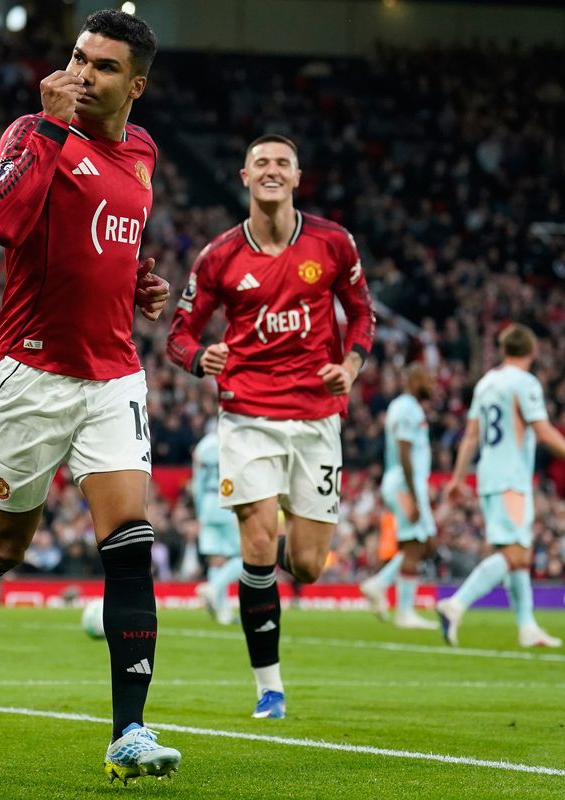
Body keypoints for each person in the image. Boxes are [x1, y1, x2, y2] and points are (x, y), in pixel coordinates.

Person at [0, 10, 180, 783]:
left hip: (112, 372)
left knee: (130, 541)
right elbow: (4, 222)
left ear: (137, 84)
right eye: (76, 57)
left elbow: (107, 243)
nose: (82, 73)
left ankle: (128, 732)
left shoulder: (145, 151)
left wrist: (139, 286)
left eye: (101, 65)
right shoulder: (32, 130)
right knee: (4, 545)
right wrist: (53, 130)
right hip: (29, 371)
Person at [167, 133, 375, 720]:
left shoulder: (334, 243)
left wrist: (351, 366)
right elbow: (179, 333)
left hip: (316, 418)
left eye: (282, 162)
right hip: (247, 414)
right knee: (258, 544)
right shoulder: (218, 257)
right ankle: (269, 687)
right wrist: (197, 357)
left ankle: (248, 577)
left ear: (297, 176)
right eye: (261, 163)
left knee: (307, 564)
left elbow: (362, 313)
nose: (272, 170)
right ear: (244, 176)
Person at [438, 324, 565, 648]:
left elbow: (471, 435)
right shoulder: (524, 383)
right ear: (533, 350)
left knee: (518, 557)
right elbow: (543, 431)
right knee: (516, 552)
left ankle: (527, 627)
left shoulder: (486, 383)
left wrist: (457, 478)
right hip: (511, 477)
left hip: (488, 476)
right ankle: (456, 604)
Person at [360, 363, 439, 630]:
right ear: (415, 380)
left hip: (404, 482)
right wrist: (414, 496)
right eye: (428, 378)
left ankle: (380, 583)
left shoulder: (403, 406)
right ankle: (405, 612)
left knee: (426, 546)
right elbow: (404, 451)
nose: (432, 384)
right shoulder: (407, 408)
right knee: (416, 545)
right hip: (406, 484)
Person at [192, 425, 243, 625]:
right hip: (227, 503)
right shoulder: (235, 444)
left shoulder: (203, 447)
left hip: (207, 504)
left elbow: (198, 482)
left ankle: (223, 612)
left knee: (215, 560)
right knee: (242, 557)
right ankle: (213, 587)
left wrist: (199, 512)